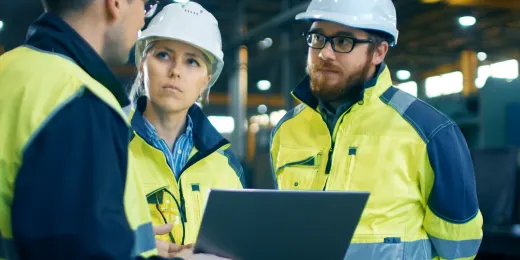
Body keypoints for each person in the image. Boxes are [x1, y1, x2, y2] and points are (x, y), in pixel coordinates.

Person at [0, 0, 225, 259]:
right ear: (116, 3)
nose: (142, 19)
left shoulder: (10, 69)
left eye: (192, 62)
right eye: (145, 4)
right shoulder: (78, 102)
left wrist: (123, 238)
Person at [269, 0, 483, 259]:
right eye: (317, 38)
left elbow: (458, 249)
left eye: (344, 41)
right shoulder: (287, 130)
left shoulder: (430, 131)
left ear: (379, 52)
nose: (324, 53)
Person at [128, 1, 246, 248]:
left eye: (192, 62)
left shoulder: (225, 165)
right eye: (163, 55)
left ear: (206, 81)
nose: (175, 71)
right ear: (142, 64)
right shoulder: (109, 144)